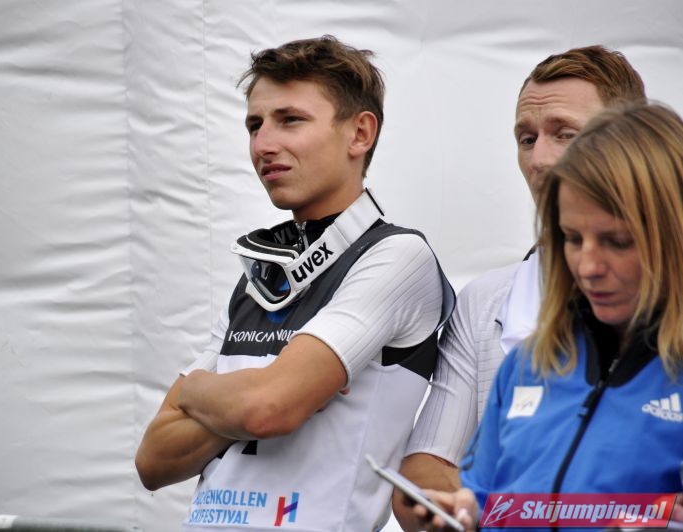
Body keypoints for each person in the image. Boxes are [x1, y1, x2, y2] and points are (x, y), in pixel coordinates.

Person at [134, 35, 454, 531]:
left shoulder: (396, 255)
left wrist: (196, 393)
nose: (263, 145)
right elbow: (153, 461)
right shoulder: (262, 277)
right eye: (254, 125)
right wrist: (251, 395)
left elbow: (267, 409)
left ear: (360, 134)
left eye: (290, 120)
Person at [394, 44, 647, 531]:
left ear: (632, 144)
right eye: (526, 139)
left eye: (565, 134)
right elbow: (427, 468)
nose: (540, 159)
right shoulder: (490, 301)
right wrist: (456, 510)